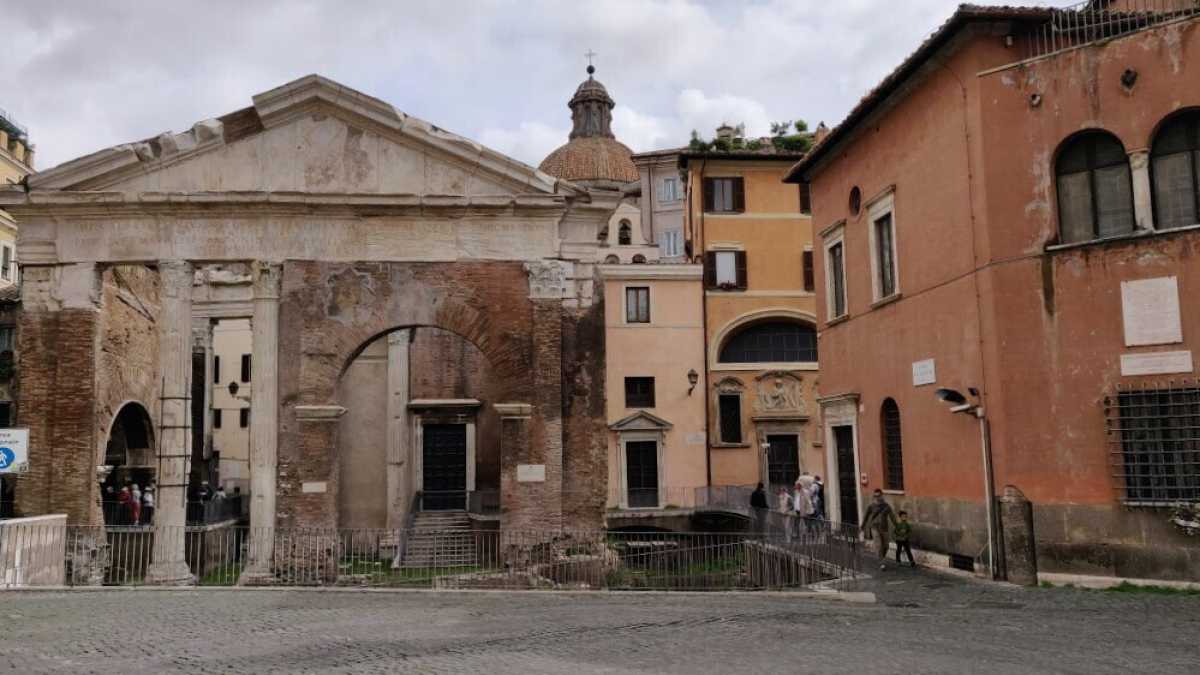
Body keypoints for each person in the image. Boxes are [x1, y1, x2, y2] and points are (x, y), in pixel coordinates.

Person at [861, 488, 899, 570]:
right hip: (874, 527)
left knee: (886, 545)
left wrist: (897, 526)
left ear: (882, 495)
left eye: (879, 496)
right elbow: (866, 517)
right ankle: (882, 563)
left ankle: (881, 557)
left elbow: (892, 517)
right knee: (879, 545)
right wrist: (862, 527)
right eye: (875, 496)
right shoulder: (871, 506)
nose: (877, 497)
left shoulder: (886, 506)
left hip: (884, 528)